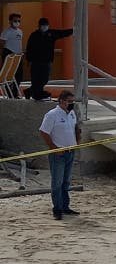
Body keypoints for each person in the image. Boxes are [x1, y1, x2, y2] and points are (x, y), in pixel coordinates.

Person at [39, 90, 81, 220]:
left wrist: (77, 140)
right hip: (58, 154)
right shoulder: (52, 115)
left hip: (70, 152)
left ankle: (65, 207)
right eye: (69, 101)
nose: (71, 104)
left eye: (73, 101)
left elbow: (75, 127)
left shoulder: (72, 113)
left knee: (66, 181)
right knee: (57, 182)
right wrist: (54, 148)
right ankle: (57, 209)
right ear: (61, 101)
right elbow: (44, 132)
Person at [24, 17, 73, 101]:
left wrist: (73, 30)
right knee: (36, 79)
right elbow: (29, 48)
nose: (44, 27)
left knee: (44, 79)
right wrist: (28, 60)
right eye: (43, 25)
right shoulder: (34, 35)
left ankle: (30, 91)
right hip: (36, 61)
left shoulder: (51, 33)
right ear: (39, 26)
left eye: (46, 25)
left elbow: (62, 33)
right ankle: (36, 94)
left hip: (47, 61)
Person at [0, 13, 24, 97]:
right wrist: (6, 54)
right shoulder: (6, 32)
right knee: (8, 75)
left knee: (19, 75)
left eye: (18, 21)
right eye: (15, 21)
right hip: (9, 55)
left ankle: (15, 93)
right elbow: (2, 44)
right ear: (10, 21)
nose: (17, 22)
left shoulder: (20, 31)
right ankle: (8, 93)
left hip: (18, 56)